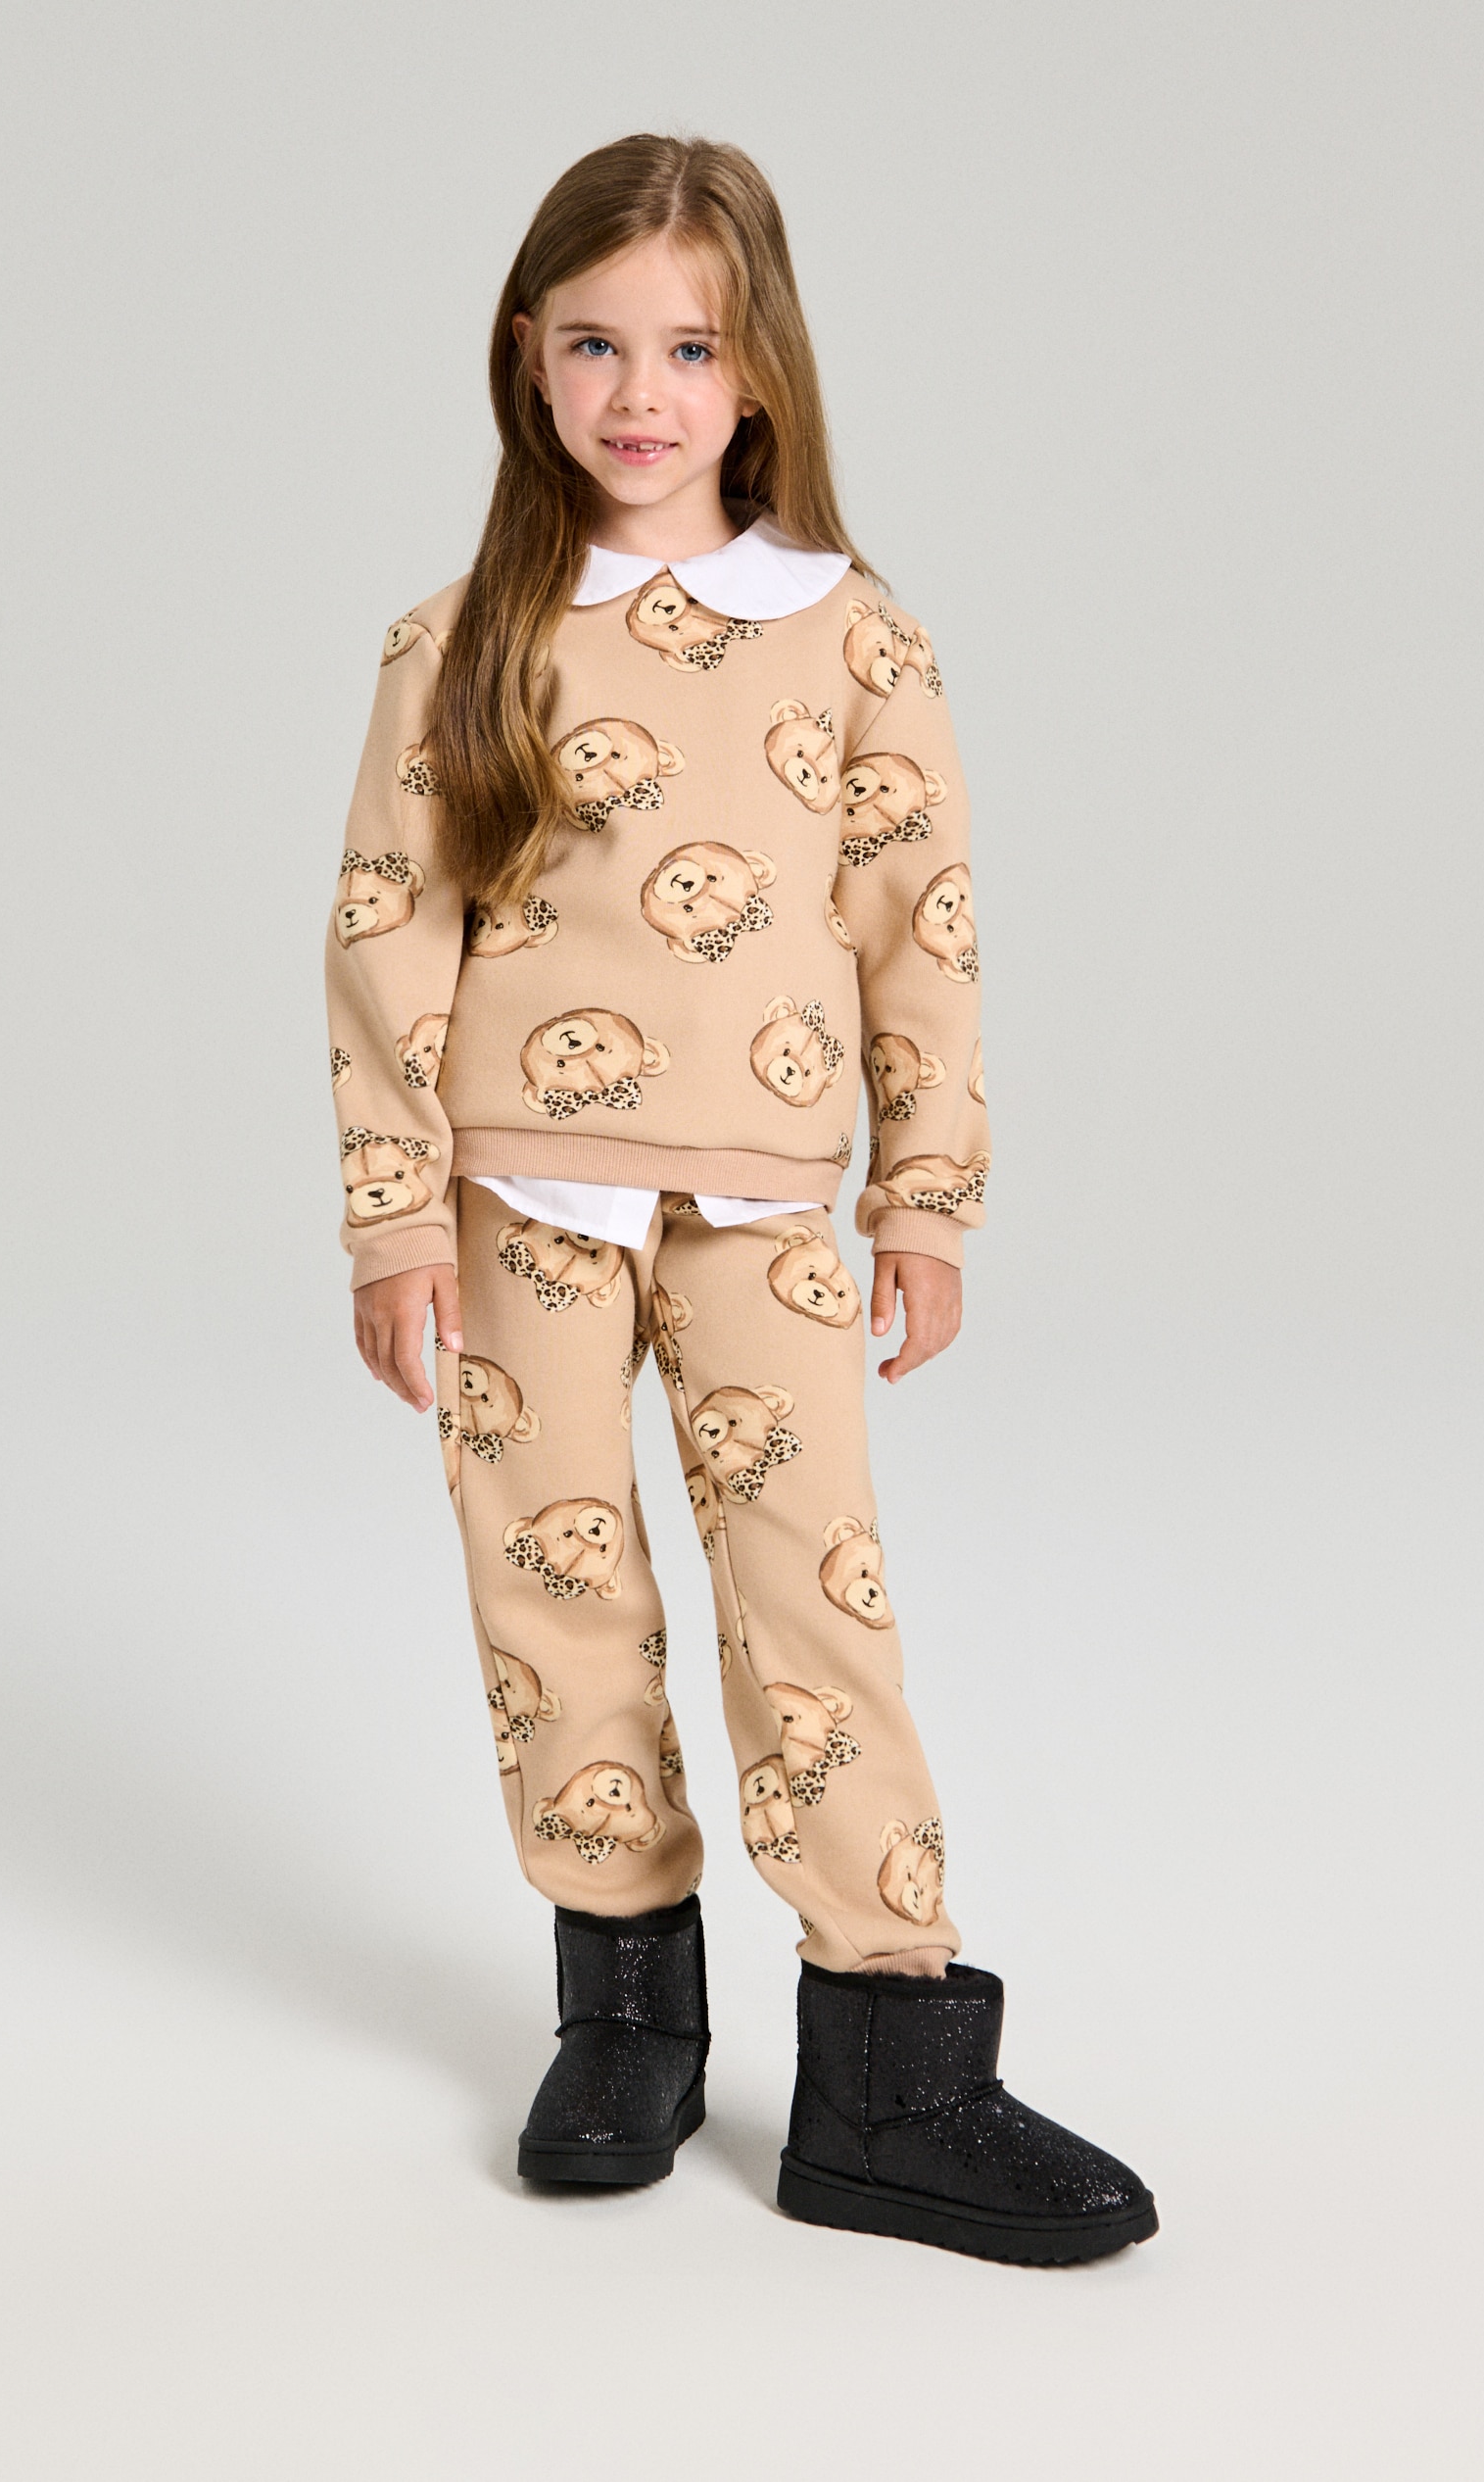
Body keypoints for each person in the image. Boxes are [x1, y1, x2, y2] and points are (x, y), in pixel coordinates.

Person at [323, 131, 1156, 2265]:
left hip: (769, 1203)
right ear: (525, 355)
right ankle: (625, 2017)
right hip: (516, 1202)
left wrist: (927, 1197)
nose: (640, 392)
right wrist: (394, 1219)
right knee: (555, 1598)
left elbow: (918, 924)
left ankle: (894, 2071)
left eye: (689, 348)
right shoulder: (460, 637)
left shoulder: (853, 637)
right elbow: (390, 929)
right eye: (595, 344)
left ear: (760, 367)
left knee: (814, 1603)